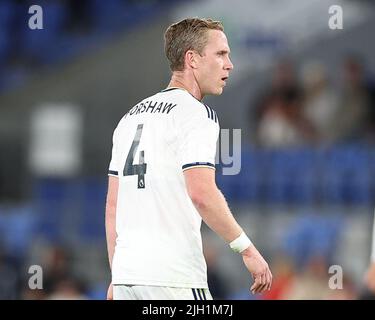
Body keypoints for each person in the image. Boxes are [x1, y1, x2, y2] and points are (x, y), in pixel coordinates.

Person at [105, 17, 272, 300]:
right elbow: (202, 193)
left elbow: (113, 208)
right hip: (173, 277)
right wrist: (247, 249)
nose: (229, 64)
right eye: (221, 54)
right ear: (192, 59)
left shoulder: (129, 118)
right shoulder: (195, 114)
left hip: (127, 278)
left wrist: (117, 275)